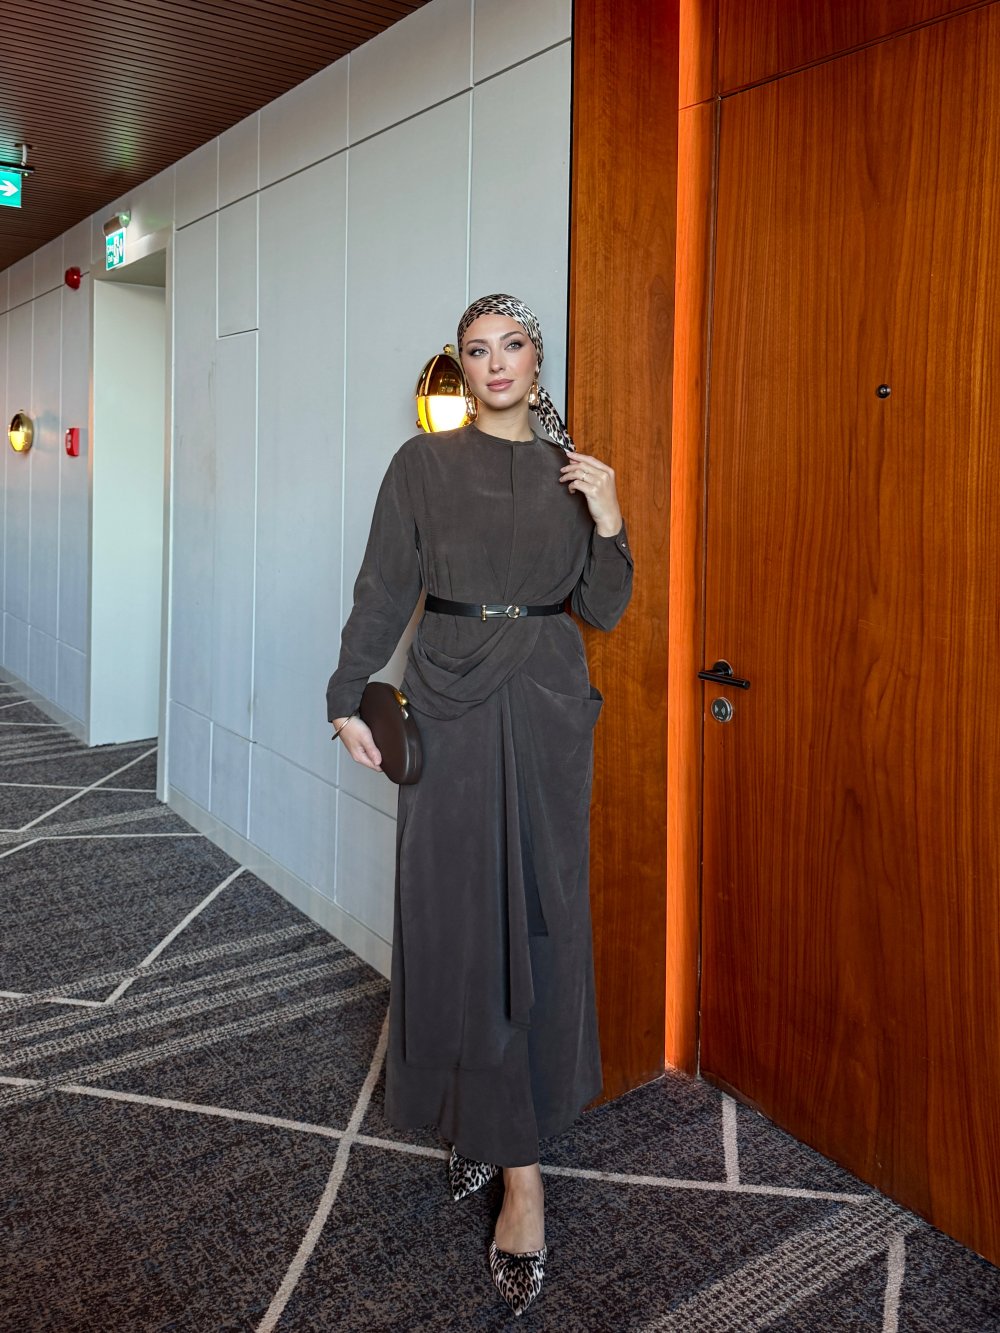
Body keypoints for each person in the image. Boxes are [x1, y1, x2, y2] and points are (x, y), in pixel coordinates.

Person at [326, 294, 633, 1315]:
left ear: (537, 360)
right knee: (455, 918)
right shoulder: (421, 464)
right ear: (460, 368)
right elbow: (383, 586)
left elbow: (604, 607)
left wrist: (610, 518)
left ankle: (521, 1173)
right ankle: (480, 1121)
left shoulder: (572, 472)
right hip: (449, 703)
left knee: (537, 921)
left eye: (512, 345)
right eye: (476, 350)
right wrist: (346, 694)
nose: (495, 362)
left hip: (544, 709)